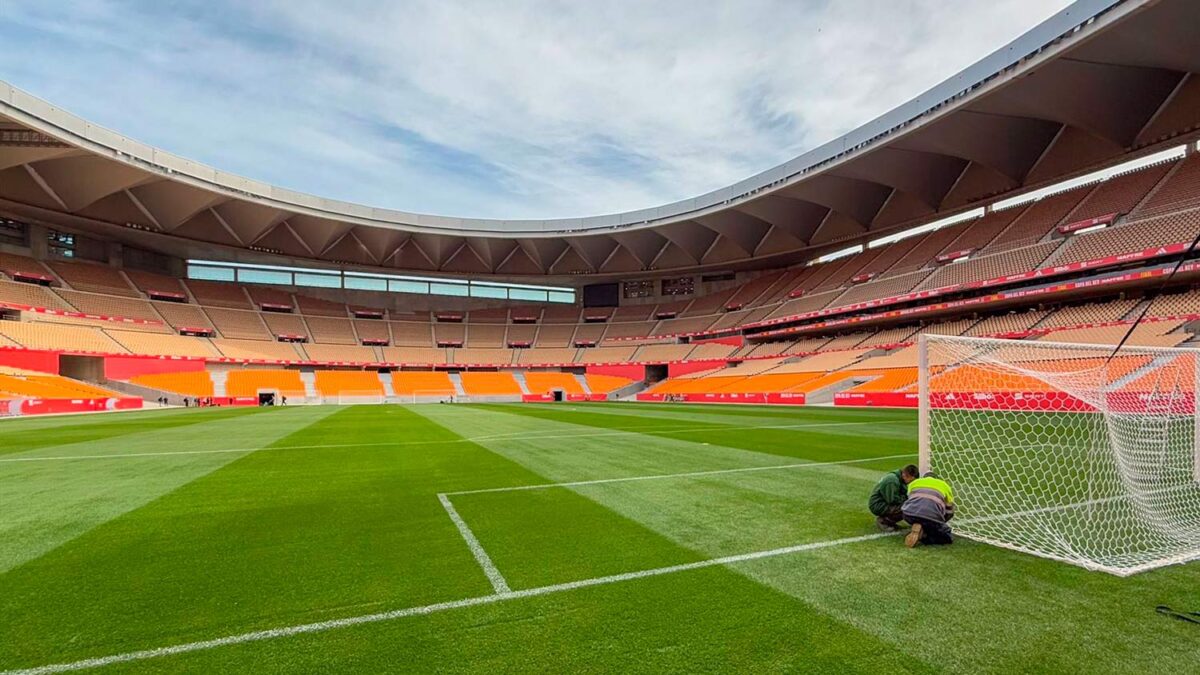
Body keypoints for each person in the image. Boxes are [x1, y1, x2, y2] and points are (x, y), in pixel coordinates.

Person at [901, 472, 956, 548]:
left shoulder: (914, 483)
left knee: (923, 517)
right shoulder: (944, 485)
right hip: (930, 517)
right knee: (947, 536)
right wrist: (941, 522)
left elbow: (909, 498)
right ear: (937, 479)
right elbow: (949, 508)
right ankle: (924, 536)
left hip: (908, 515)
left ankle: (921, 527)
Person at [869, 464, 919, 531]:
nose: (911, 482)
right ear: (905, 475)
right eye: (911, 480)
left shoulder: (899, 478)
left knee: (909, 504)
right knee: (908, 507)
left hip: (883, 502)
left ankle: (889, 520)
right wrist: (908, 500)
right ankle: (884, 521)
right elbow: (892, 500)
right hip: (878, 505)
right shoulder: (892, 480)